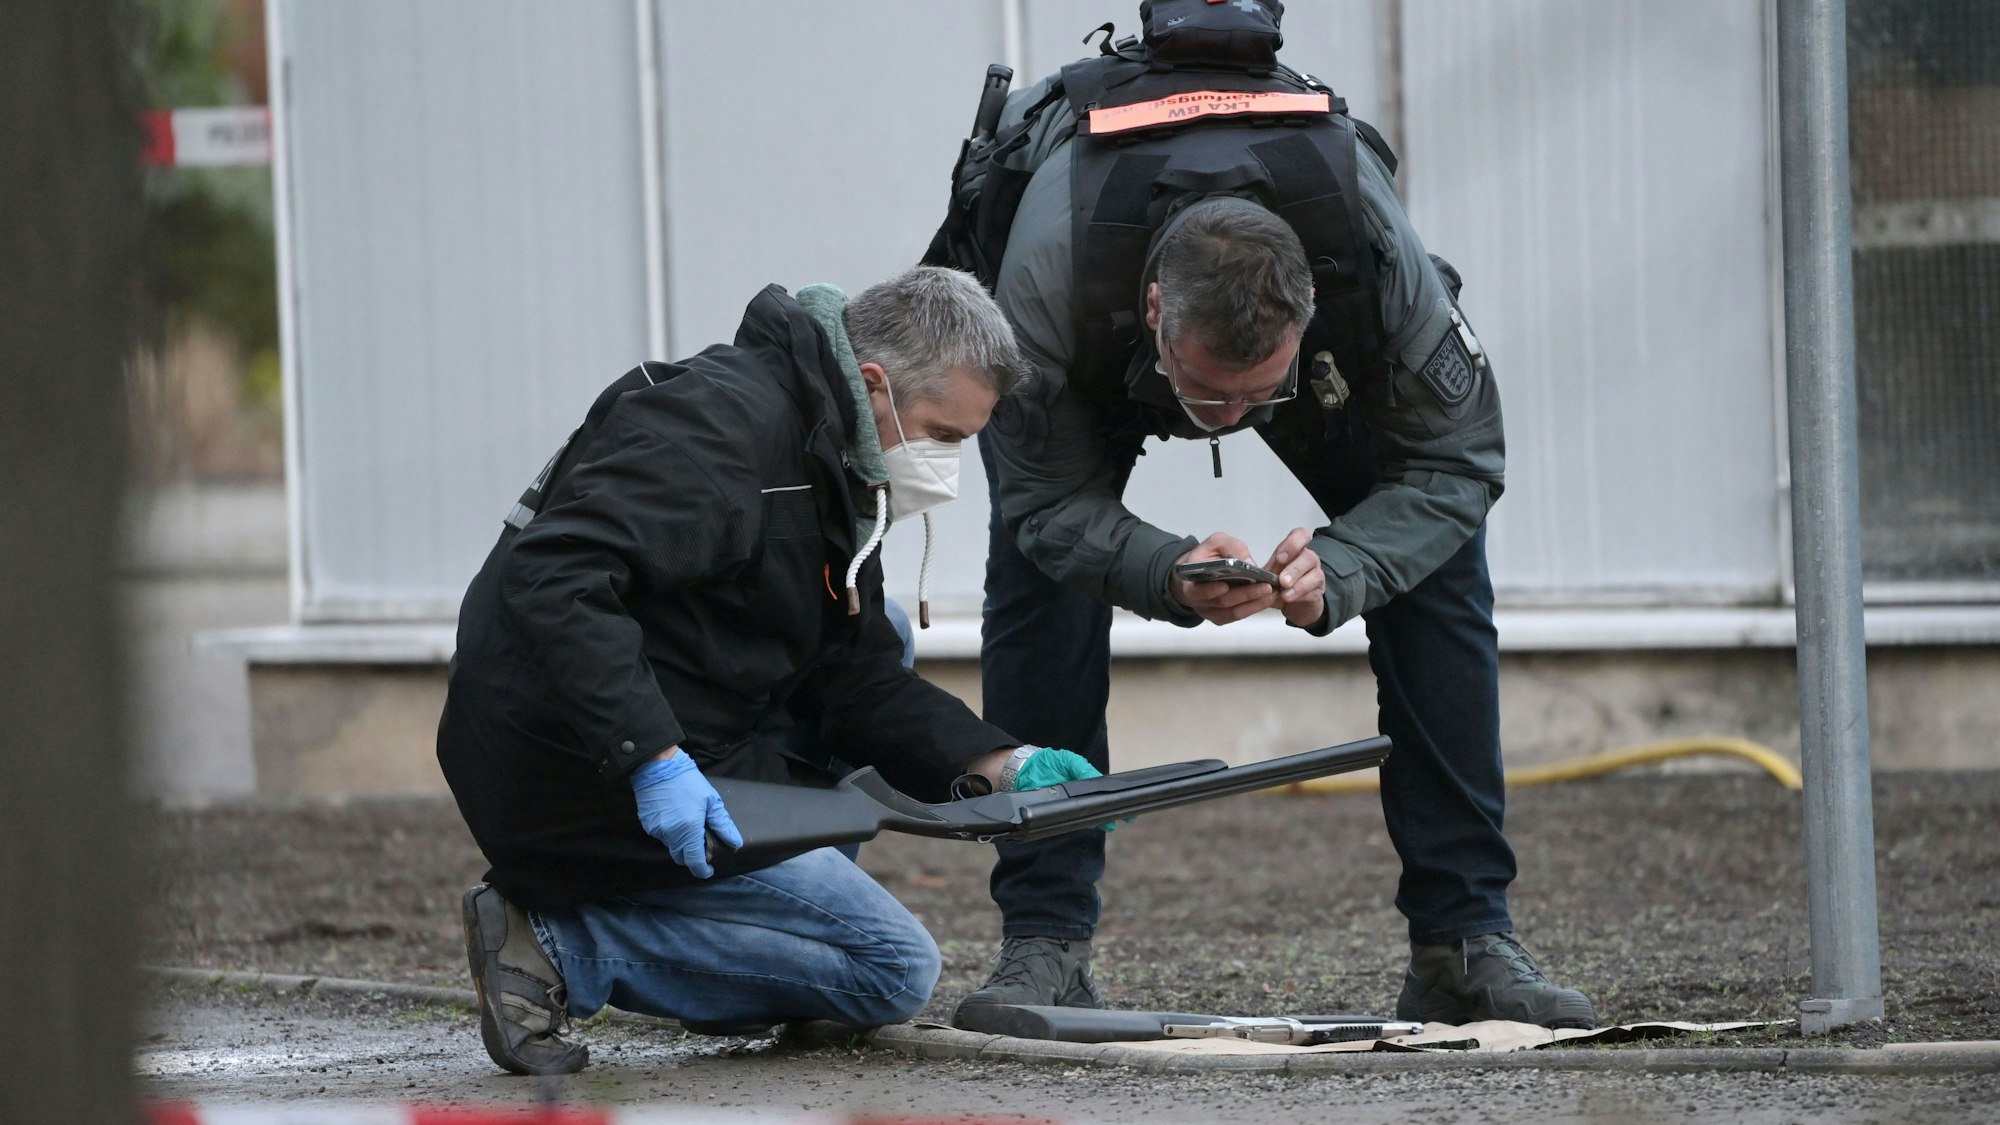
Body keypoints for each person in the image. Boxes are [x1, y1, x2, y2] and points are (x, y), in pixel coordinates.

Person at [942, 2, 1597, 1030]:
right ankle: (1043, 945)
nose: (1232, 420)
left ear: (1305, 319)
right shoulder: (1046, 279)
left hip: (1307, 346)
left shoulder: (1373, 262)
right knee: (1041, 579)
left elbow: (1458, 458)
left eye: (1256, 394)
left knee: (1433, 563)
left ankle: (1463, 941)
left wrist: (1347, 563)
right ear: (1158, 313)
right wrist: (1158, 568)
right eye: (1213, 396)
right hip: (1090, 342)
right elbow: (1041, 504)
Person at [437, 266, 1107, 1076]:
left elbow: (854, 673)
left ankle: (747, 953)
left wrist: (998, 762)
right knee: (891, 970)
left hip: (685, 722)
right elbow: (555, 573)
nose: (951, 464)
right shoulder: (720, 431)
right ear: (875, 384)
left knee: (881, 626)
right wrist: (652, 757)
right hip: (569, 756)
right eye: (946, 433)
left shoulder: (832, 455)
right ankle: (558, 942)